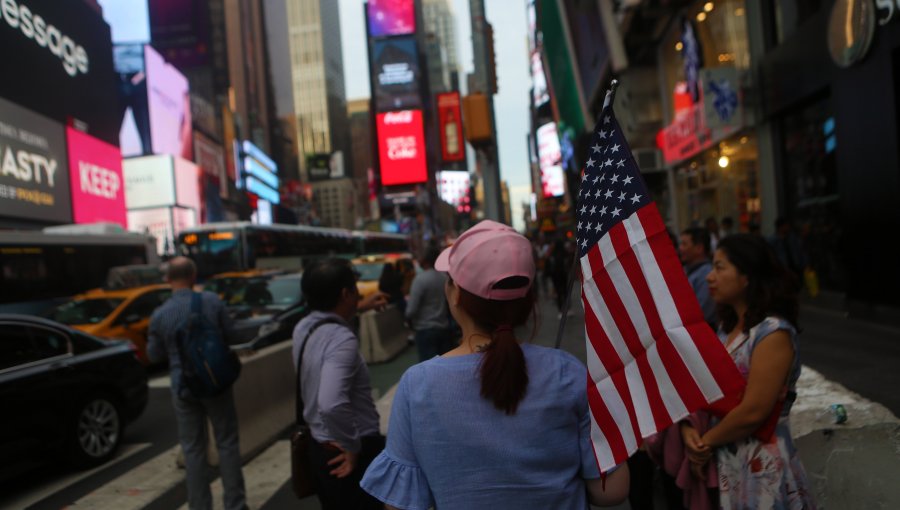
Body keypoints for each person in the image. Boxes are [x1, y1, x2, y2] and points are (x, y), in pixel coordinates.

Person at [360, 220, 629, 509]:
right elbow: (610, 492)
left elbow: (400, 503)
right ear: (528, 302)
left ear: (455, 295)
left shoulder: (417, 384)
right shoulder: (567, 372)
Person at [681, 234, 816, 508]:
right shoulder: (726, 330)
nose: (710, 277)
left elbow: (754, 410)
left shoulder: (773, 333)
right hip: (729, 463)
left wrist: (704, 443)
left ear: (747, 277)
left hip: (763, 467)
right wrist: (688, 431)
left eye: (720, 268)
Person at [147, 257, 247, 510]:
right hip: (215, 383)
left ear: (168, 279)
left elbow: (153, 355)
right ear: (194, 276)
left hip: (183, 387)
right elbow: (233, 335)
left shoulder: (160, 314)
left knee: (192, 449)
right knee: (227, 442)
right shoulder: (212, 302)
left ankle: (200, 506)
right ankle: (235, 504)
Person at [292, 258, 386, 510]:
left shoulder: (304, 328)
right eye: (355, 290)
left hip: (318, 446)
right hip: (348, 450)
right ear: (345, 294)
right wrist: (353, 446)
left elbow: (331, 320)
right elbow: (331, 404)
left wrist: (361, 306)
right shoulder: (341, 339)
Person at [405, 247, 455, 361]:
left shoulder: (420, 279)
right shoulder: (444, 278)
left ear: (425, 260)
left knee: (429, 367)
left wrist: (407, 319)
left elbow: (411, 309)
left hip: (425, 330)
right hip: (444, 328)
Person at [679, 227, 717, 327]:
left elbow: (700, 312)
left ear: (699, 248)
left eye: (684, 244)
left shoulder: (706, 274)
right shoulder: (685, 269)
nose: (680, 248)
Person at [769, 216, 808, 282]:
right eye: (786, 225)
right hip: (783, 270)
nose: (788, 227)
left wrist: (805, 263)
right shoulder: (773, 241)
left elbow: (800, 251)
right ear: (781, 227)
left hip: (795, 267)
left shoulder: (792, 238)